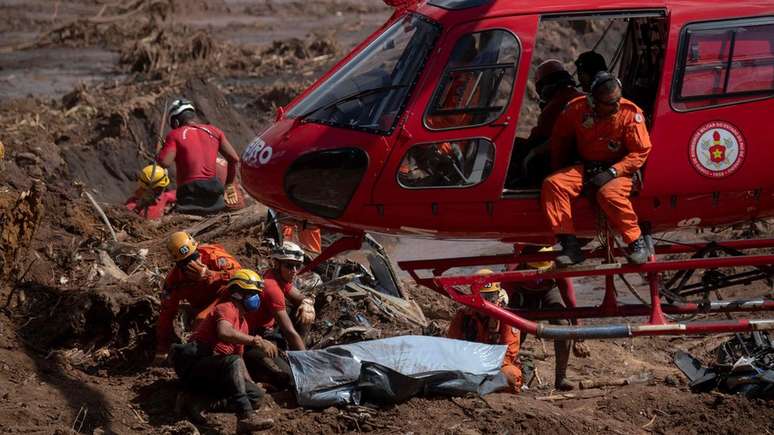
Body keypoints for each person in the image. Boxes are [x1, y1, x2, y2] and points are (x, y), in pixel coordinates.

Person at [542, 72, 652, 266]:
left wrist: (612, 172)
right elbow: (560, 139)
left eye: (618, 100)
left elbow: (640, 152)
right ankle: (570, 246)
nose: (616, 106)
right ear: (593, 101)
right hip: (588, 168)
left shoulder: (630, 113)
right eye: (610, 103)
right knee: (553, 184)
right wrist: (558, 167)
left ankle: (636, 243)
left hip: (621, 170)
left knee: (608, 194)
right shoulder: (575, 109)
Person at [169, 269, 275, 432]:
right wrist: (256, 341)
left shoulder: (243, 324)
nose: (257, 298)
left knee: (255, 395)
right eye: (253, 293)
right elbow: (224, 333)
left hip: (215, 369)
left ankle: (198, 403)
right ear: (238, 293)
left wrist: (251, 383)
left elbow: (238, 358)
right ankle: (245, 417)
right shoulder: (226, 308)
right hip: (193, 363)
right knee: (234, 362)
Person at [503, 246, 590, 391]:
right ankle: (510, 370)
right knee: (517, 327)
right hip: (523, 292)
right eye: (536, 270)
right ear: (525, 264)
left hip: (549, 290)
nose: (540, 275)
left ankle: (561, 377)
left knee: (562, 325)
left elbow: (570, 302)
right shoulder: (513, 269)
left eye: (544, 270)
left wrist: (578, 334)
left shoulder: (559, 267)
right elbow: (503, 303)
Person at [155, 231, 241, 363]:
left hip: (228, 297)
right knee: (200, 320)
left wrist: (212, 274)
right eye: (186, 263)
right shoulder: (175, 280)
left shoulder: (213, 256)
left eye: (194, 257)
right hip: (201, 306)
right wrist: (162, 348)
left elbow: (240, 274)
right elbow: (166, 314)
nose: (193, 264)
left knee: (202, 320)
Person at [244, 241, 315, 384]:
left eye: (297, 266)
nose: (294, 270)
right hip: (254, 339)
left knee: (302, 309)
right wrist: (308, 364)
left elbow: (298, 297)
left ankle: (295, 352)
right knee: (288, 379)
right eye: (289, 266)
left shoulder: (279, 277)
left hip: (269, 330)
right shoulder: (272, 287)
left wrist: (307, 303)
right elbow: (288, 331)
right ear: (277, 264)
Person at [157, 98, 241, 215]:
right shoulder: (214, 131)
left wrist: (162, 150)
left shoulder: (175, 134)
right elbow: (234, 159)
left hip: (190, 194)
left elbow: (164, 163)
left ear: (176, 122)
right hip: (214, 191)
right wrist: (229, 185)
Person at [509, 59, 584, 188]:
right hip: (577, 156)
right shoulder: (579, 96)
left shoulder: (556, 104)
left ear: (543, 86)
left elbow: (538, 137)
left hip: (563, 159)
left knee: (517, 149)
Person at [447, 269, 522, 394]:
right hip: (467, 363)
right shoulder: (463, 315)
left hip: (495, 366)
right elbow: (452, 345)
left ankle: (480, 386)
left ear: (498, 295)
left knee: (512, 375)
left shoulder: (506, 317)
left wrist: (484, 366)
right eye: (481, 297)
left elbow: (509, 353)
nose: (485, 302)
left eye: (490, 297)